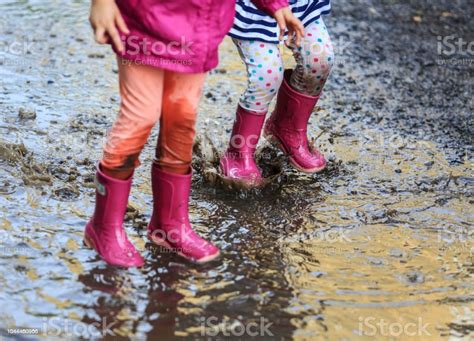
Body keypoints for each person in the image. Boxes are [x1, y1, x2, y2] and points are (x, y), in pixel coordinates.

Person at [84, 0, 304, 267]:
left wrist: (275, 4)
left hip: (199, 27)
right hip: (143, 22)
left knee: (181, 120)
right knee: (140, 117)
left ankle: (169, 225)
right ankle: (104, 227)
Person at [220, 0, 334, 187]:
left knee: (319, 60)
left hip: (299, 6)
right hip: (255, 12)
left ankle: (286, 128)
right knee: (268, 75)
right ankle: (238, 153)